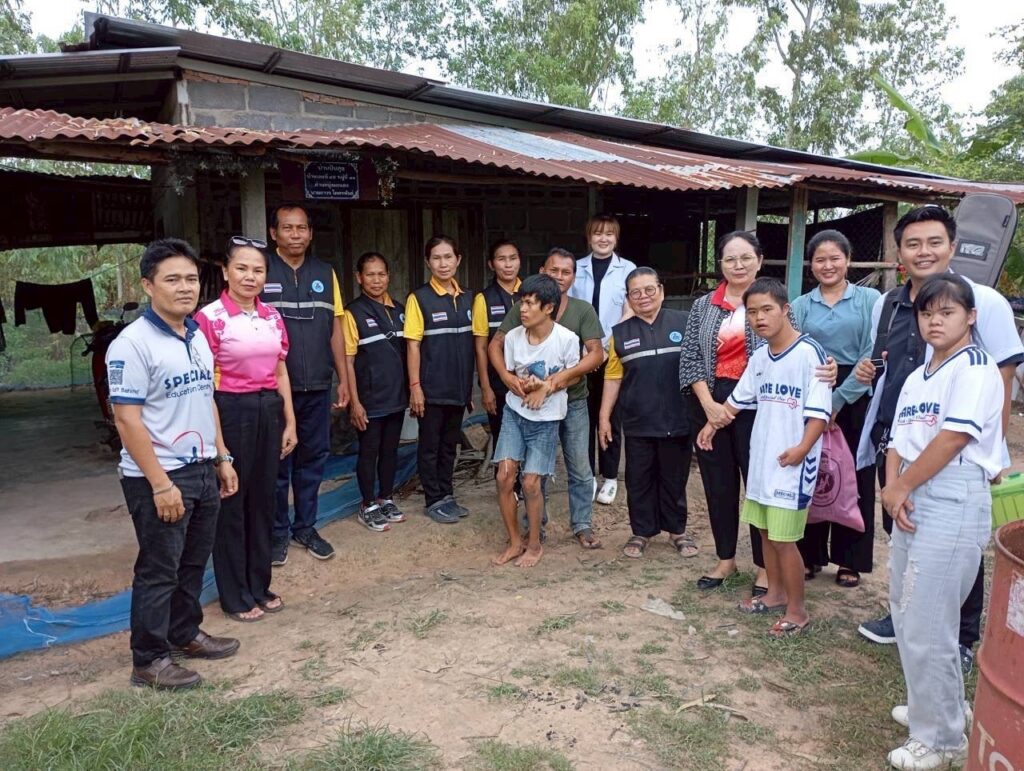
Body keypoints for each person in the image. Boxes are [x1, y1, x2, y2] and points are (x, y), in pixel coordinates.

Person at [853, 206, 1023, 674]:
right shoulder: (888, 303)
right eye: (913, 243)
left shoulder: (981, 300)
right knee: (902, 530)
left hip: (957, 449)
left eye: (933, 242)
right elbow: (886, 365)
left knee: (954, 546)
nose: (923, 251)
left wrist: (996, 453)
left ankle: (961, 637)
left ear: (951, 245)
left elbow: (1003, 374)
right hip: (900, 437)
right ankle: (906, 616)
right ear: (899, 253)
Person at [881, 274, 1002, 770]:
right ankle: (934, 708)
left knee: (931, 620)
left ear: (970, 317)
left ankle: (944, 739)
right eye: (927, 312)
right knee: (908, 610)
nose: (935, 320)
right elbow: (896, 439)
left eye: (947, 312)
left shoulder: (975, 367)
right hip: (911, 489)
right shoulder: (918, 375)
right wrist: (894, 489)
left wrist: (903, 487)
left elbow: (954, 438)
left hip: (952, 491)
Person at [107, 238, 240, 689]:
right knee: (159, 568)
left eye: (190, 278)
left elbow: (208, 401)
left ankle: (185, 633)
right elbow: (126, 420)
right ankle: (148, 660)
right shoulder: (132, 344)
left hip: (202, 467)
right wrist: (161, 485)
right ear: (148, 285)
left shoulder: (197, 335)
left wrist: (221, 457)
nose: (185, 288)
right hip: (159, 475)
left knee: (191, 562)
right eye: (172, 280)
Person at [696, 278, 831, 638]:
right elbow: (737, 401)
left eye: (767, 309)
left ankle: (797, 610)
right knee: (766, 532)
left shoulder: (810, 354)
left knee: (785, 539)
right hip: (763, 463)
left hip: (792, 465)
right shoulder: (759, 357)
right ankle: (772, 594)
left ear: (786, 310)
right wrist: (712, 426)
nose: (758, 317)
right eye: (751, 312)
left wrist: (803, 448)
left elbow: (819, 413)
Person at [195, 237, 296, 623]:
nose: (250, 277)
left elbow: (281, 370)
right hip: (229, 411)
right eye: (242, 268)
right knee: (232, 502)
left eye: (258, 270)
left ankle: (259, 584)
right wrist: (220, 449)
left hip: (268, 408)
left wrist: (290, 421)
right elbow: (204, 387)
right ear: (225, 272)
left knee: (264, 500)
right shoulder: (210, 318)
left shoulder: (271, 316)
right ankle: (235, 595)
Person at [489, 248, 606, 549]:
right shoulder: (527, 305)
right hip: (530, 404)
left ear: (574, 276)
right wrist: (505, 376)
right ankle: (533, 530)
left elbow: (596, 354)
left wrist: (552, 383)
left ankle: (582, 525)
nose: (559, 277)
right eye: (553, 271)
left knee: (579, 465)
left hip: (574, 400)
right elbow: (496, 344)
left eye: (566, 272)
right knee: (533, 471)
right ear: (543, 270)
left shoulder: (582, 311)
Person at [262, 204, 350, 565]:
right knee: (279, 462)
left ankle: (306, 526)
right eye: (287, 228)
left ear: (311, 234)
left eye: (301, 228)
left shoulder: (325, 273)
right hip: (274, 389)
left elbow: (336, 330)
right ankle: (277, 532)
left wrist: (343, 378)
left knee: (313, 460)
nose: (295, 234)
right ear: (274, 234)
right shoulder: (262, 270)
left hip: (317, 386)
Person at [791, 230, 880, 588]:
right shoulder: (800, 305)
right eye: (820, 259)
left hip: (857, 393)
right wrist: (820, 402)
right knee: (814, 472)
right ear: (811, 265)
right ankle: (810, 555)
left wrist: (839, 400)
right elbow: (796, 350)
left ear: (848, 259)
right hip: (811, 390)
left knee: (854, 475)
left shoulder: (869, 299)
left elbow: (871, 354)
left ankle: (850, 558)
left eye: (834, 258)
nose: (827, 265)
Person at [599, 267, 696, 559]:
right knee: (639, 479)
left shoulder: (684, 321)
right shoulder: (619, 334)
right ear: (628, 298)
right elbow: (613, 377)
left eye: (649, 289)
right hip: (638, 420)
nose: (643, 297)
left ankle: (677, 530)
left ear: (661, 290)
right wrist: (604, 417)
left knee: (674, 477)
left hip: (679, 418)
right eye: (635, 292)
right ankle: (641, 531)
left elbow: (698, 368)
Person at [492, 274, 580, 568]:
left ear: (549, 308)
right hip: (515, 414)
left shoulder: (567, 339)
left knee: (531, 484)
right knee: (504, 475)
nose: (522, 309)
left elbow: (575, 374)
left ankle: (534, 544)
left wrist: (547, 386)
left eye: (530, 303)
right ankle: (515, 541)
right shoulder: (514, 337)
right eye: (521, 302)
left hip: (546, 420)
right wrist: (519, 384)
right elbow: (511, 375)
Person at [405, 235, 477, 524]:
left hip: (458, 388)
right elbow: (412, 345)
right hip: (431, 389)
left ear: (458, 260)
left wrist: (469, 386)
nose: (443, 263)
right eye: (436, 258)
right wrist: (415, 388)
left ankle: (447, 495)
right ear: (428, 263)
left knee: (450, 444)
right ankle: (433, 498)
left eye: (448, 257)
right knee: (430, 445)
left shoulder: (469, 298)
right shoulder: (419, 299)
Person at [568, 214, 637, 505]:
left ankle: (610, 477)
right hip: (581, 354)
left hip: (612, 355)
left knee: (609, 417)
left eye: (609, 234)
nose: (603, 239)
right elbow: (568, 309)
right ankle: (587, 475)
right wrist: (585, 347)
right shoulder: (576, 268)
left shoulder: (628, 269)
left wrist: (608, 346)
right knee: (582, 416)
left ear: (616, 238)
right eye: (598, 234)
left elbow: (630, 309)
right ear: (589, 237)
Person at [343, 252, 409, 531]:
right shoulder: (352, 312)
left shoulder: (400, 309)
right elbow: (347, 359)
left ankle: (385, 498)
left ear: (388, 276)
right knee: (369, 452)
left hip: (396, 397)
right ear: (359, 278)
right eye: (370, 274)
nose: (376, 280)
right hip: (369, 399)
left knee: (390, 451)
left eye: (381, 274)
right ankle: (367, 503)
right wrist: (354, 403)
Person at [473, 240, 522, 466]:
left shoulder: (530, 292)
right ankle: (507, 488)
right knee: (503, 436)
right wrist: (486, 387)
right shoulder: (484, 299)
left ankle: (527, 486)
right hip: (498, 380)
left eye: (513, 258)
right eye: (501, 259)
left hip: (529, 379)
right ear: (491, 264)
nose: (508, 265)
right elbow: (482, 346)